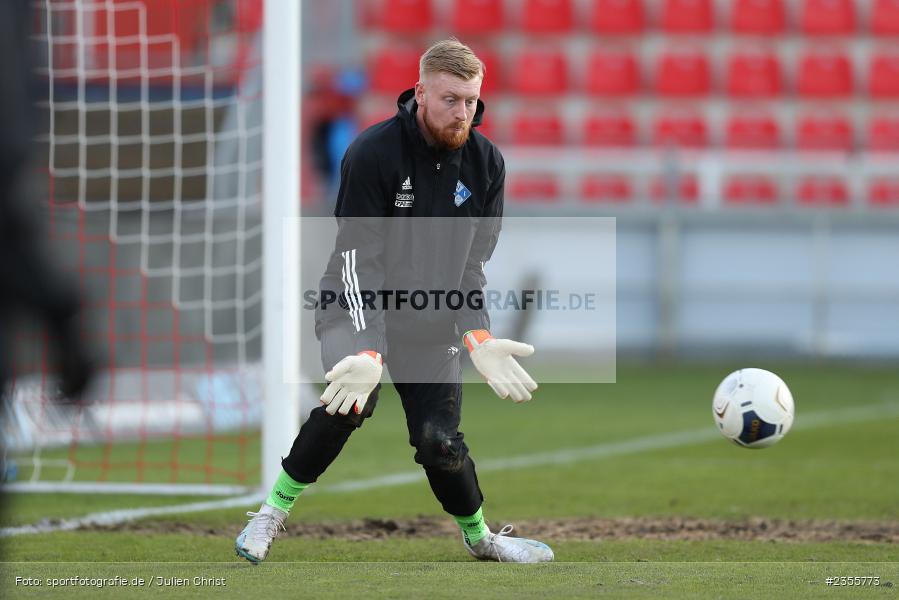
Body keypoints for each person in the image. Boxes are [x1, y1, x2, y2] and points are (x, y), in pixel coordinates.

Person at [236, 39, 550, 563]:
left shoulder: (487, 163)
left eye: (472, 100)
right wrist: (366, 347)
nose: (463, 112)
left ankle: (481, 538)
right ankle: (270, 515)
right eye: (451, 99)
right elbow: (360, 258)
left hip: (431, 323)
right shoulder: (372, 152)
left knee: (439, 443)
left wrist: (479, 335)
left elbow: (471, 269)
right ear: (421, 92)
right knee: (349, 402)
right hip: (353, 302)